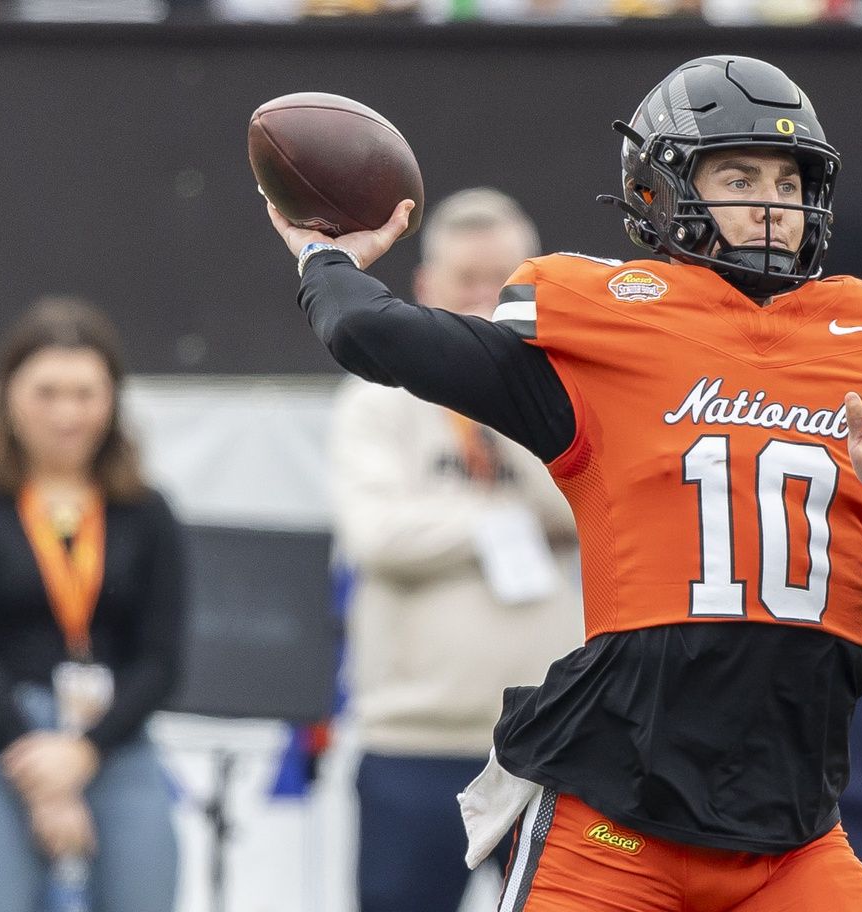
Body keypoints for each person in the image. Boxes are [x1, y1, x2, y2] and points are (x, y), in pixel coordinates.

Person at [268, 54, 862, 911]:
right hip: (613, 827)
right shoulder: (606, 333)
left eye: (788, 181)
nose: (771, 202)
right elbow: (374, 336)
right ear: (659, 190)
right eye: (737, 175)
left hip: (792, 838)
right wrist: (330, 259)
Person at [329, 188, 583, 911]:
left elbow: (584, 509)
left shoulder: (565, 396)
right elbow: (376, 536)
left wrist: (504, 398)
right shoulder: (375, 403)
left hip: (548, 745)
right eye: (464, 282)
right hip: (414, 742)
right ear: (423, 288)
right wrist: (496, 518)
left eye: (500, 282)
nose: (481, 299)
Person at [0, 298, 182, 912]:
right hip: (6, 736)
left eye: (85, 394)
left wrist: (83, 751)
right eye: (46, 392)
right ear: (9, 395)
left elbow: (159, 660)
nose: (67, 414)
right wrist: (40, 773)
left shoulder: (146, 512)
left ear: (113, 400)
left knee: (145, 884)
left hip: (112, 735)